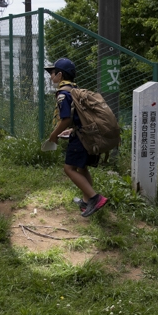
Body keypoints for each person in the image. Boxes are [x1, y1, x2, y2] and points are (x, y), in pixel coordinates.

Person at [44, 58, 108, 217]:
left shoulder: (63, 94)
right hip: (86, 134)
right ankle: (87, 202)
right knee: (82, 167)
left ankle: (95, 198)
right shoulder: (75, 89)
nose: (51, 76)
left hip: (80, 138)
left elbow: (65, 118)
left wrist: (53, 135)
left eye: (52, 73)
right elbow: (77, 117)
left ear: (59, 74)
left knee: (69, 168)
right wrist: (70, 130)